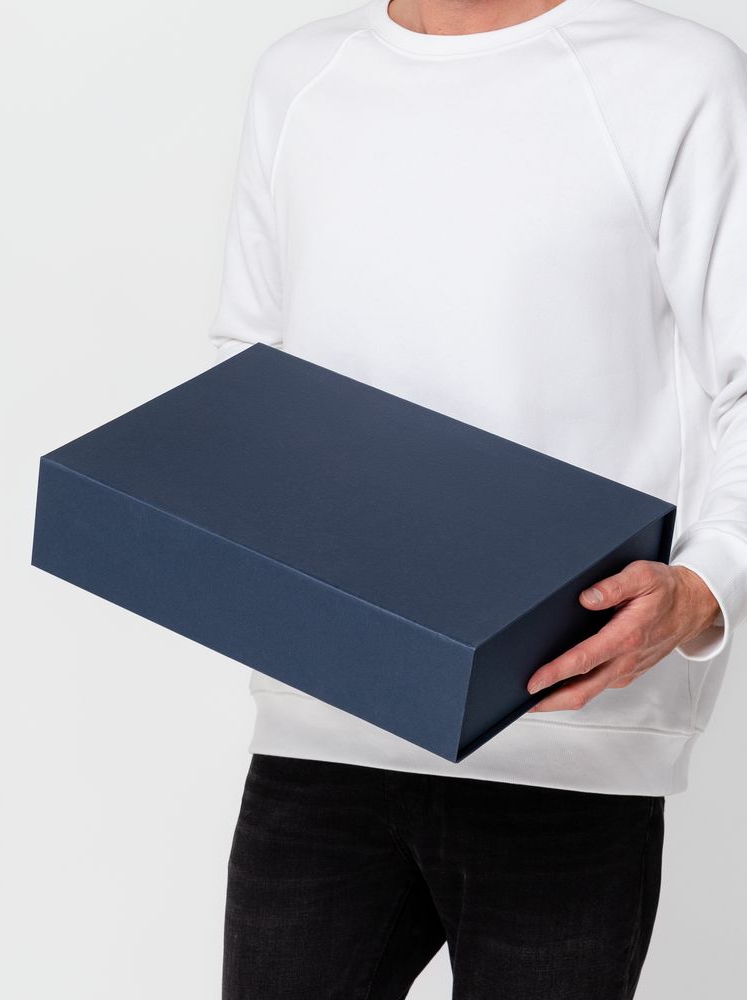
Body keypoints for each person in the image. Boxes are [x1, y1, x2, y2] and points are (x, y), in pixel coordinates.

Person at [208, 1, 747, 997]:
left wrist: (706, 584)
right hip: (322, 727)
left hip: (567, 733)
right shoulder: (302, 75)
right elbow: (250, 366)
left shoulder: (681, 75)